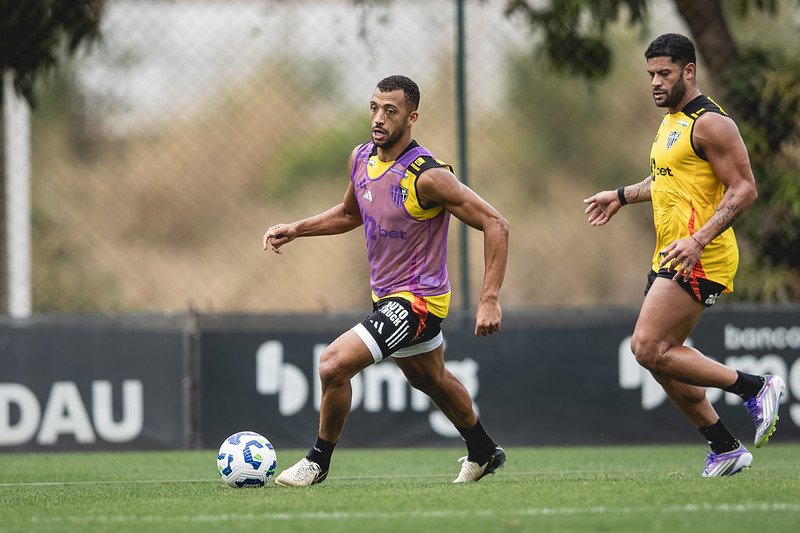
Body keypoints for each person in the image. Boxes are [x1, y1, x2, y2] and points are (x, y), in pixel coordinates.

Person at [263, 75, 509, 486]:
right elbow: (349, 214)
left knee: (333, 364)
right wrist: (297, 228)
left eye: (390, 111)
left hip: (419, 302)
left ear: (411, 118)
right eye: (374, 107)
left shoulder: (427, 176)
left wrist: (490, 297)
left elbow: (496, 223)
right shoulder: (361, 158)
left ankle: (317, 462)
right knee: (430, 379)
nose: (378, 118)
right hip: (387, 298)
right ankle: (484, 450)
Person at [583, 33, 785, 477]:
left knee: (647, 347)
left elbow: (745, 189)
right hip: (670, 253)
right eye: (651, 74)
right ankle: (724, 446)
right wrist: (621, 194)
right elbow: (669, 182)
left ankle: (756, 387)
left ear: (688, 71)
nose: (655, 82)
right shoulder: (671, 121)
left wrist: (698, 240)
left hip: (702, 255)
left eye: (665, 74)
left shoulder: (712, 123)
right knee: (660, 358)